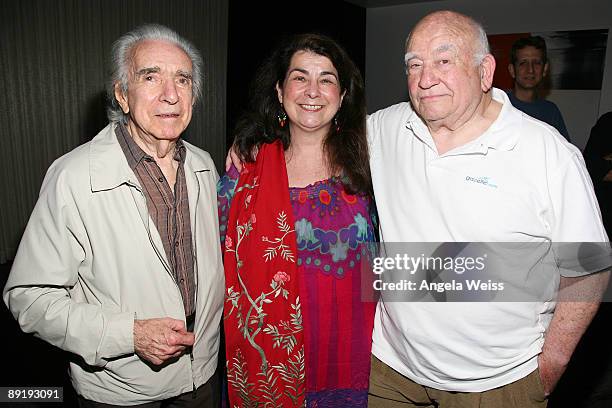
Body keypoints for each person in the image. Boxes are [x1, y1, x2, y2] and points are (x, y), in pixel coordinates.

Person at [365, 10, 611, 408]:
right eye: (415, 64)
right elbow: (319, 132)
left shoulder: (546, 153)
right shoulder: (388, 129)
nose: (426, 79)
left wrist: (547, 369)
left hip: (497, 383)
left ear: (485, 71)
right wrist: (259, 142)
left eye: (444, 61)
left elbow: (589, 267)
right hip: (391, 371)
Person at [3, 24, 224, 406]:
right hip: (120, 390)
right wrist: (130, 335)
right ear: (122, 95)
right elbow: (29, 298)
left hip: (201, 379)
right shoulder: (72, 177)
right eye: (150, 76)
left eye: (183, 79)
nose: (170, 94)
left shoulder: (204, 166)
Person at [217, 33, 376, 407]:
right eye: (300, 77)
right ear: (279, 89)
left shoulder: (373, 162)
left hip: (356, 353)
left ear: (343, 94)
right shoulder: (246, 170)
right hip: (267, 356)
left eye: (326, 79)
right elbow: (215, 259)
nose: (312, 90)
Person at [507, 36, 571, 142]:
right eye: (523, 63)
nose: (530, 70)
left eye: (536, 63)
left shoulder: (551, 112)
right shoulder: (498, 105)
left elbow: (564, 154)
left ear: (545, 69)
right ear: (512, 70)